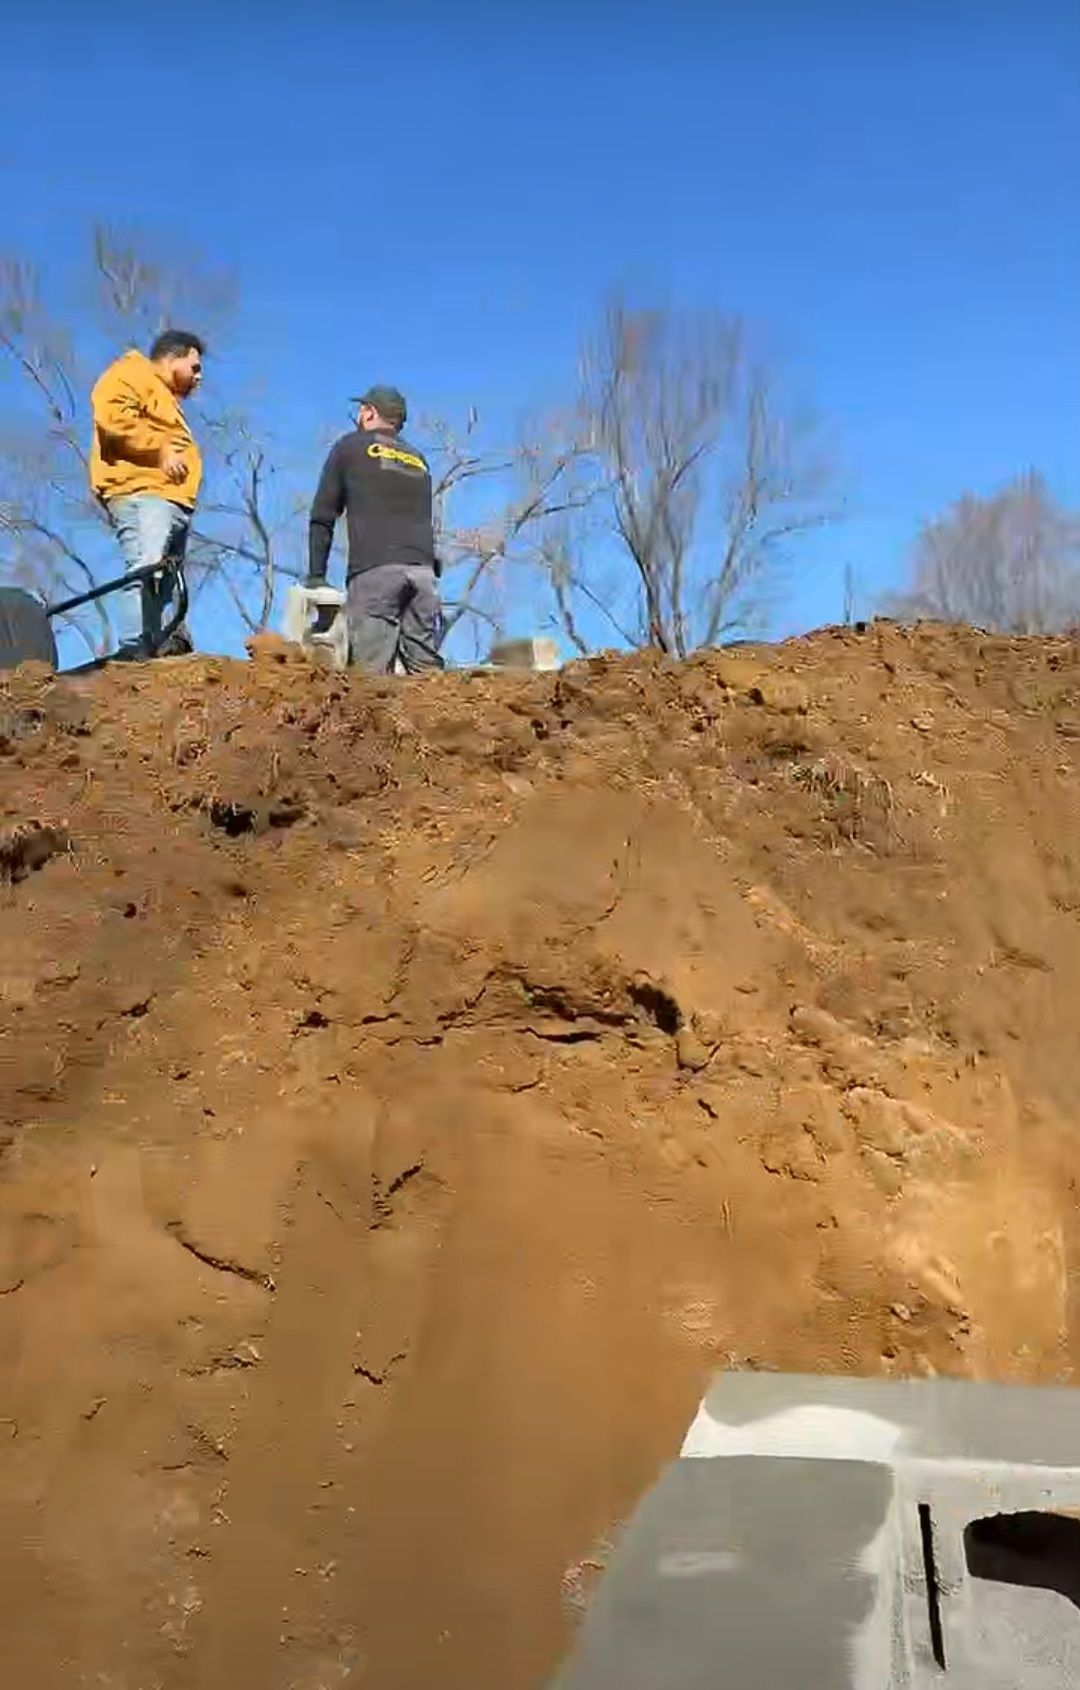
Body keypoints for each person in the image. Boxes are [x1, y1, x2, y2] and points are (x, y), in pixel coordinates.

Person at [305, 385, 442, 674]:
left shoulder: (350, 446)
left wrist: (316, 576)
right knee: (428, 679)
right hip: (423, 574)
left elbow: (323, 514)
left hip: (376, 572)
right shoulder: (419, 459)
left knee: (371, 681)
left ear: (370, 413)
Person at [90, 329, 204, 660]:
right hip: (141, 492)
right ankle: (134, 651)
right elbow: (112, 418)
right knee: (145, 566)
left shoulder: (164, 397)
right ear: (171, 358)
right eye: (194, 367)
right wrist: (160, 450)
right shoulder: (131, 373)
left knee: (166, 577)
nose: (199, 376)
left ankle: (162, 647)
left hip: (171, 500)